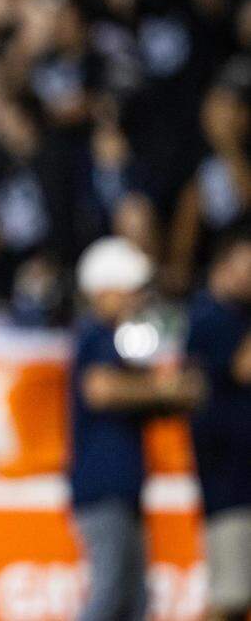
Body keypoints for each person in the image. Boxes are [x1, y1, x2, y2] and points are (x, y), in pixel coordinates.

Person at [69, 237, 203, 621]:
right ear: (104, 290)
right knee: (110, 595)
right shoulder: (95, 334)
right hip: (102, 488)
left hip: (123, 489)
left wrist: (176, 392)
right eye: (131, 289)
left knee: (133, 603)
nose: (138, 298)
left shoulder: (119, 341)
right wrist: (162, 388)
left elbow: (153, 398)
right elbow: (101, 390)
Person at [184, 233, 251, 621]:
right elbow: (244, 366)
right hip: (228, 480)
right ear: (222, 267)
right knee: (230, 595)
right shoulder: (210, 315)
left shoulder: (237, 315)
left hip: (241, 476)